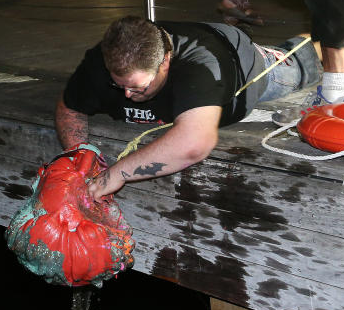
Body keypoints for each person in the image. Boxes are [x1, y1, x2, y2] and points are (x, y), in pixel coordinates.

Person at [55, 16, 320, 201]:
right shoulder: (99, 62)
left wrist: (118, 173)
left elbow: (194, 144)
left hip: (242, 63)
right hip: (184, 44)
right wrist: (78, 156)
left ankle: (320, 41)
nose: (127, 95)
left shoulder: (200, 68)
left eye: (138, 88)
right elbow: (70, 107)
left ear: (165, 63)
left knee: (300, 64)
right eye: (118, 85)